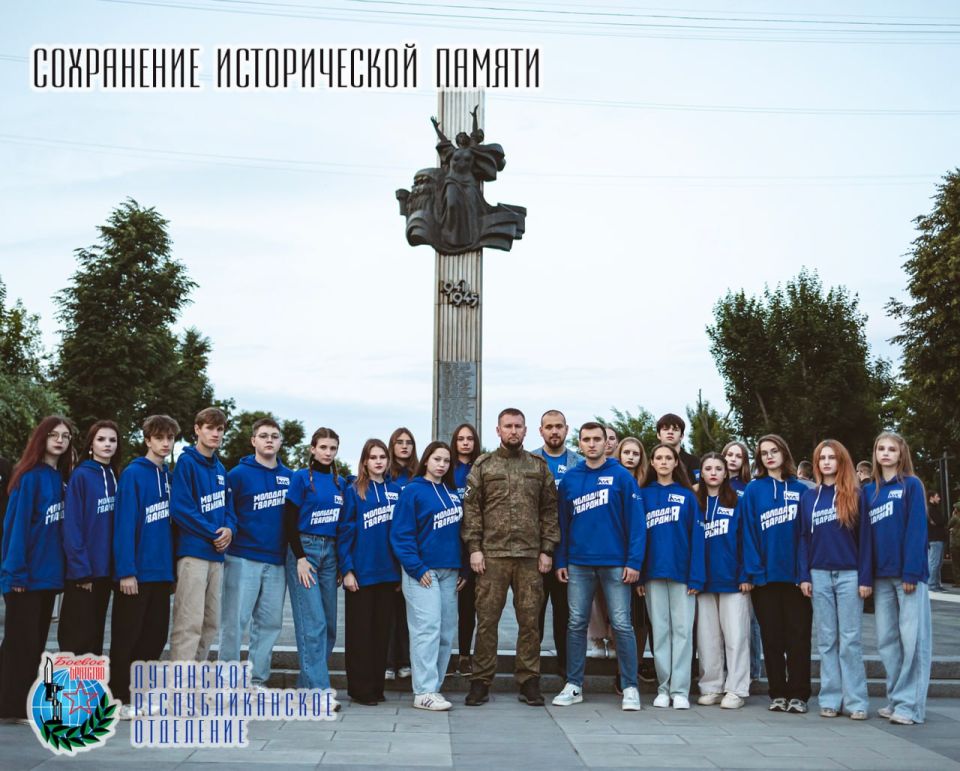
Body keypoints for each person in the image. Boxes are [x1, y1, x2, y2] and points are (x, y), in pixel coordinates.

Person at [461, 408, 560, 707]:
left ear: (525, 430)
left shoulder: (538, 466)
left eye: (518, 426)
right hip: (492, 556)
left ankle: (529, 680)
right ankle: (481, 681)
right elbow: (472, 509)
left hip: (530, 557)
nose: (513, 431)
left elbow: (549, 510)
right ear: (498, 430)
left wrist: (547, 549)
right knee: (487, 622)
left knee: (530, 622)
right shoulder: (484, 465)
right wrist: (474, 548)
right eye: (508, 426)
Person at [552, 422, 644, 711]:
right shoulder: (571, 479)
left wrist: (633, 561)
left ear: (607, 443)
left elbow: (637, 523)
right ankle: (574, 684)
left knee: (622, 624)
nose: (591, 444)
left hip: (615, 563)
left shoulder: (621, 476)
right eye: (586, 439)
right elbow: (562, 525)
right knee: (576, 623)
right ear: (579, 443)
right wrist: (561, 560)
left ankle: (630, 686)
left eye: (597, 439)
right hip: (579, 563)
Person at [0, 415, 75, 721]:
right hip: (24, 579)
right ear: (41, 438)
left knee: (35, 645)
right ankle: (9, 706)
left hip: (49, 578)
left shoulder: (63, 479)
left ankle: (21, 703)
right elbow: (15, 528)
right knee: (20, 644)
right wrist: (15, 573)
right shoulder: (28, 477)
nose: (60, 440)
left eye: (65, 436)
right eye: (54, 435)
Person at [110, 414, 178, 718]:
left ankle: (139, 694)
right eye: (159, 438)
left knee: (155, 636)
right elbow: (124, 525)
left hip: (161, 572)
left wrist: (172, 571)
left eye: (170, 438)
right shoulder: (133, 474)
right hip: (135, 574)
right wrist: (126, 570)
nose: (165, 443)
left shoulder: (168, 477)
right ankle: (119, 697)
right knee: (127, 636)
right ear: (147, 440)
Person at [798, 439, 871, 721]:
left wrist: (865, 577)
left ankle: (856, 701)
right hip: (818, 575)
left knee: (850, 640)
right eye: (822, 458)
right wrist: (804, 575)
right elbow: (803, 538)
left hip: (850, 574)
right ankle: (830, 699)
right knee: (827, 640)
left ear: (841, 461)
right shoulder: (809, 497)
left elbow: (865, 539)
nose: (827, 462)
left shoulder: (855, 494)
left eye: (832, 457)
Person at [390, 441, 465, 711]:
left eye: (446, 460)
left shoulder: (452, 493)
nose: (442, 465)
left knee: (445, 632)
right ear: (426, 460)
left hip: (450, 571)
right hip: (422, 572)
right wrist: (416, 567)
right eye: (437, 459)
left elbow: (460, 534)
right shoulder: (413, 491)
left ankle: (434, 687)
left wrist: (464, 568)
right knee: (427, 629)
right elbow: (401, 535)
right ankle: (423, 691)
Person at [863, 431, 931, 725]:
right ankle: (896, 699)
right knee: (887, 642)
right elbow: (865, 538)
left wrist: (911, 571)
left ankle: (910, 706)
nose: (886, 453)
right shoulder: (869, 491)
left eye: (892, 449)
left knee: (913, 641)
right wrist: (866, 576)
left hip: (908, 577)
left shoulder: (911, 485)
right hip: (881, 577)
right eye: (881, 448)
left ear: (901, 454)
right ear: (875, 453)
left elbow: (917, 530)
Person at [219, 418, 292, 688]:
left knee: (269, 624)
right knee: (234, 622)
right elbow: (227, 512)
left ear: (281, 442)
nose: (269, 440)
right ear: (253, 441)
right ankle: (227, 681)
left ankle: (257, 679)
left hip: (276, 561)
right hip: (242, 557)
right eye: (263, 435)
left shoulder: (290, 477)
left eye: (274, 436)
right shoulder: (238, 475)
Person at [742, 434, 812, 714]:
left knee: (798, 638)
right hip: (765, 578)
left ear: (784, 453)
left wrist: (804, 574)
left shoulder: (802, 490)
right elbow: (748, 533)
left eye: (774, 451)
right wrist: (754, 572)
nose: (769, 456)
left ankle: (799, 695)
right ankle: (778, 694)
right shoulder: (753, 490)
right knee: (771, 639)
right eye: (764, 453)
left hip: (795, 579)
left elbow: (807, 535)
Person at [640, 443, 705, 709]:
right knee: (661, 632)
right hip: (652, 574)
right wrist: (639, 576)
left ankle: (680, 690)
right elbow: (638, 538)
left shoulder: (687, 496)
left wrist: (696, 577)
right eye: (659, 457)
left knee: (683, 632)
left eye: (669, 457)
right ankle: (663, 688)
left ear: (677, 463)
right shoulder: (643, 495)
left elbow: (697, 539)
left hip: (682, 574)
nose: (664, 461)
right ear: (652, 463)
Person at [337, 439, 401, 706]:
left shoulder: (396, 491)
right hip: (361, 574)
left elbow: (402, 533)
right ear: (364, 461)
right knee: (360, 634)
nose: (378, 461)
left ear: (387, 461)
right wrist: (347, 569)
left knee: (381, 633)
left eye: (382, 457)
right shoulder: (355, 491)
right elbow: (345, 532)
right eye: (373, 457)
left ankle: (376, 687)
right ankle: (360, 689)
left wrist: (400, 572)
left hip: (388, 574)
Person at [169, 407, 235, 663]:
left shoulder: (220, 468)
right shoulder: (186, 462)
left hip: (216, 556)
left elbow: (229, 509)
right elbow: (181, 508)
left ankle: (194, 676)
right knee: (189, 622)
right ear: (197, 429)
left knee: (210, 622)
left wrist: (229, 529)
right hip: (193, 553)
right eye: (209, 428)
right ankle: (180, 681)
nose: (215, 434)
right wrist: (213, 533)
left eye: (220, 429)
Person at [284, 427, 342, 706]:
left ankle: (305, 687)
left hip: (330, 553)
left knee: (329, 625)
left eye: (333, 448)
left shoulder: (340, 482)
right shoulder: (300, 478)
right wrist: (299, 557)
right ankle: (318, 692)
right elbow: (288, 519)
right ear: (313, 449)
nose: (328, 453)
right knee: (313, 623)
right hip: (305, 551)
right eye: (323, 447)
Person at [59, 419, 121, 657]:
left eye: (112, 440)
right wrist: (80, 570)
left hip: (105, 572)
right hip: (83, 572)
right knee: (76, 636)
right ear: (91, 444)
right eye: (101, 439)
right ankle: (67, 682)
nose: (107, 444)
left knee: (95, 636)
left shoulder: (115, 475)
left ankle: (90, 680)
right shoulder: (81, 476)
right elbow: (72, 526)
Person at [695, 452, 750, 710]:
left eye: (718, 468)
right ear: (701, 473)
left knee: (736, 636)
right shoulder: (695, 502)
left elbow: (747, 539)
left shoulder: (738, 500)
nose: (713, 473)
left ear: (726, 473)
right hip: (703, 581)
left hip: (733, 580)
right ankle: (711, 686)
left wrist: (745, 574)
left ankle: (736, 689)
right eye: (708, 468)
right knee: (707, 638)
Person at [531, 409, 580, 679]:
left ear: (566, 429)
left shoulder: (579, 463)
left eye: (558, 426)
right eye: (549, 427)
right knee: (532, 614)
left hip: (568, 551)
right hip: (534, 551)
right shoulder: (529, 461)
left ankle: (566, 666)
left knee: (565, 613)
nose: (554, 431)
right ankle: (530, 668)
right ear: (541, 431)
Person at [616, 437, 656, 685]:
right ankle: (621, 669)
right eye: (626, 452)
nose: (630, 457)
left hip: (645, 556)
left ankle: (638, 662)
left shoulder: (648, 486)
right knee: (621, 617)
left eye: (635, 453)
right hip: (616, 557)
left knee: (640, 617)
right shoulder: (613, 481)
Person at [722, 440, 761, 680]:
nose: (733, 459)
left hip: (744, 563)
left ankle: (753, 669)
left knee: (749, 621)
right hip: (721, 564)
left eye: (739, 456)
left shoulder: (748, 489)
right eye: (729, 454)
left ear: (745, 462)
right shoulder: (713, 486)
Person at [385, 427, 417, 681]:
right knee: (389, 612)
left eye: (408, 442)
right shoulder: (384, 476)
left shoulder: (418, 477)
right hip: (386, 552)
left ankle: (405, 661)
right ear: (392, 446)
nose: (404, 446)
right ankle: (387, 662)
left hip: (411, 551)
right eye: (399, 442)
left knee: (409, 612)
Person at [451, 423, 481, 676]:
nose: (465, 443)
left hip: (474, 543)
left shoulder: (481, 466)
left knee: (468, 607)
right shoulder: (447, 467)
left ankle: (464, 655)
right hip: (449, 541)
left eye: (469, 438)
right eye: (461, 439)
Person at [656, 414, 700, 483]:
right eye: (665, 429)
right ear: (658, 435)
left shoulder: (694, 462)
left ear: (682, 436)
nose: (670, 432)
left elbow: (698, 486)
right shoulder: (651, 463)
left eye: (675, 430)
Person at [926, 491, 947, 592]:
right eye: (937, 496)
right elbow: (941, 521)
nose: (939, 498)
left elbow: (941, 521)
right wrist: (940, 521)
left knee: (938, 563)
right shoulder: (930, 510)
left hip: (938, 539)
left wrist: (939, 522)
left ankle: (936, 584)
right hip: (935, 539)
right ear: (931, 498)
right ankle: (932, 584)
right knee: (934, 562)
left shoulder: (933, 509)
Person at [950, 502, 960, 589]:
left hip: (955, 544)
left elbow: (948, 525)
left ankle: (958, 582)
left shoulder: (955, 518)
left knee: (956, 564)